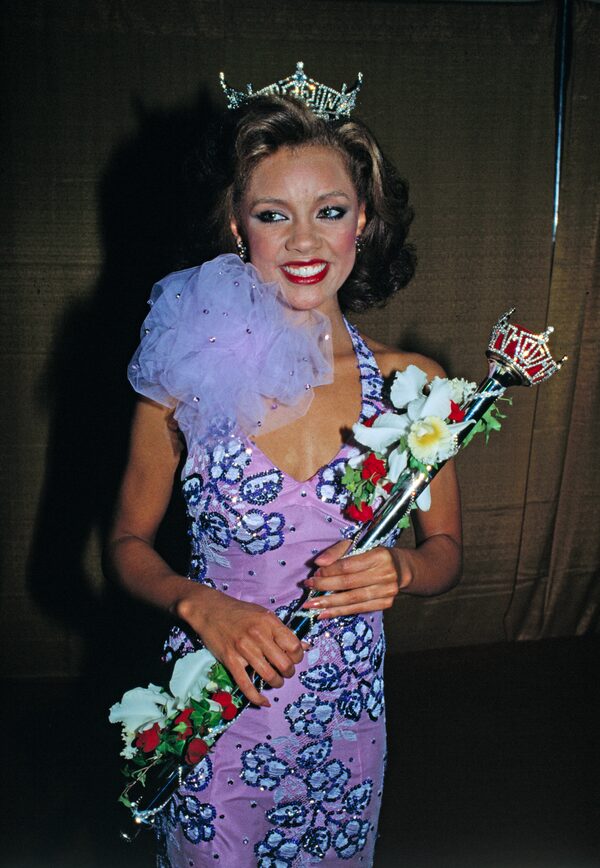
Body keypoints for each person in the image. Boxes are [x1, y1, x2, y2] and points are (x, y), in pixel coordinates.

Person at [105, 75, 461, 867]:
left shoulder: (416, 387)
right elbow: (125, 544)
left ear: (363, 220)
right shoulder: (180, 381)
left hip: (346, 724)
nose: (305, 242)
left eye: (329, 211)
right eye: (274, 215)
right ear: (238, 227)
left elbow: (445, 555)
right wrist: (199, 604)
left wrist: (403, 568)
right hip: (215, 712)